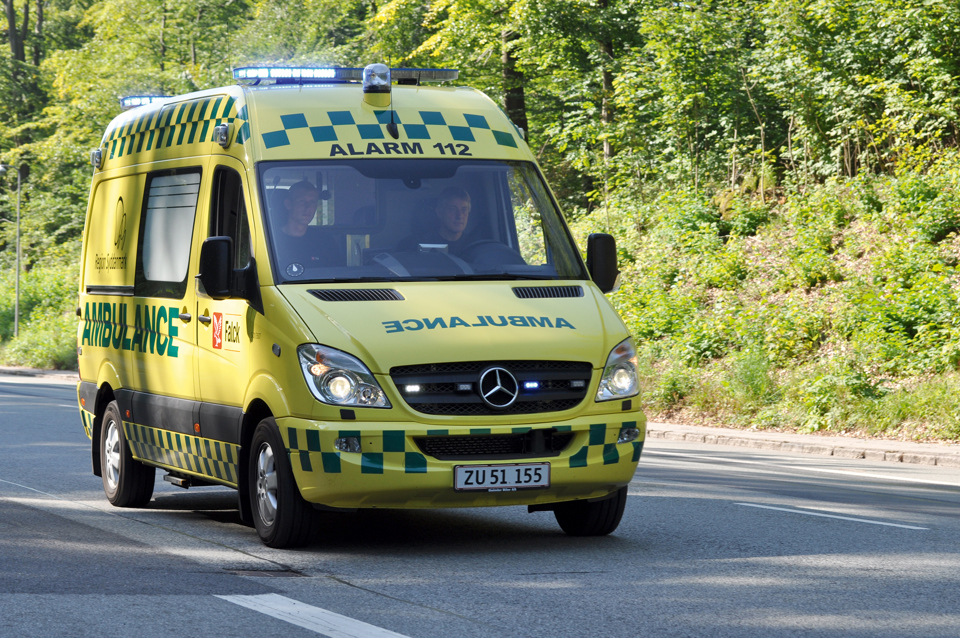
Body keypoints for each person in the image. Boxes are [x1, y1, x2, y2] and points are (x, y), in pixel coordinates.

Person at [272, 180, 343, 274]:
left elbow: (338, 275)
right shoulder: (271, 240)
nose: (308, 207)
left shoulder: (325, 241)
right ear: (288, 204)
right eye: (302, 201)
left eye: (312, 202)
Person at [398, 187, 476, 256]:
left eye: (464, 210)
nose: (459, 216)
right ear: (439, 212)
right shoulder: (417, 244)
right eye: (453, 209)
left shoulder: (475, 246)